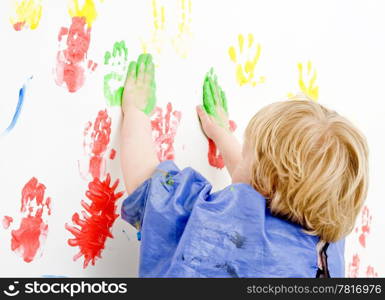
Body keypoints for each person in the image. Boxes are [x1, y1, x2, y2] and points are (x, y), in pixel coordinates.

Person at [120, 53, 369, 277]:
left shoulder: (220, 225)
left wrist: (135, 112)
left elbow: (149, 186)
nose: (242, 155)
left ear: (264, 184)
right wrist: (222, 134)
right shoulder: (326, 246)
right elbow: (262, 187)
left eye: (247, 151)